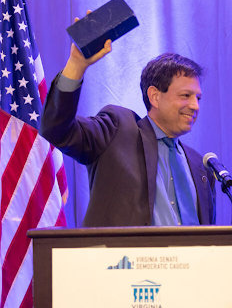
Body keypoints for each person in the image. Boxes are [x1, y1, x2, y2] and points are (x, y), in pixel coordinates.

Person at [41, 13, 215, 227]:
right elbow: (57, 130)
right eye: (185, 96)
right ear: (155, 96)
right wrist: (77, 65)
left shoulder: (200, 164)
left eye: (198, 98)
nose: (195, 106)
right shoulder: (117, 129)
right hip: (123, 261)